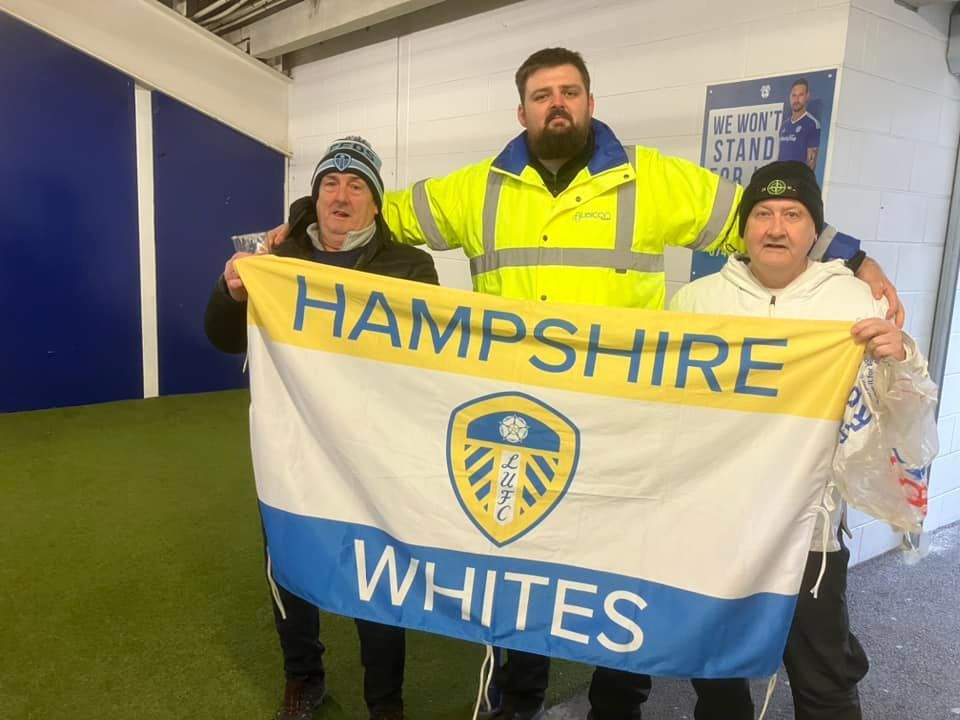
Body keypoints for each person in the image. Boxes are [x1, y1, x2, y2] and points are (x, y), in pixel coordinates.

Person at [267, 48, 904, 720]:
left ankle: (616, 700)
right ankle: (518, 701)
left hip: (621, 424)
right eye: (542, 95)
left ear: (590, 103)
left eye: (569, 91)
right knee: (517, 562)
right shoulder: (479, 186)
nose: (557, 104)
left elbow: (763, 213)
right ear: (522, 111)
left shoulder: (654, 179)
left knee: (620, 560)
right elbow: (376, 210)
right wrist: (302, 224)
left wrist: (856, 257)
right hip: (519, 417)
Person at [670, 160, 933, 720]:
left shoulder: (851, 303)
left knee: (822, 676)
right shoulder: (694, 303)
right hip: (714, 520)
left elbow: (902, 413)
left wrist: (902, 360)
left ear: (816, 231)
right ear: (743, 228)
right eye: (762, 213)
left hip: (808, 527)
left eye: (793, 214)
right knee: (714, 667)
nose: (775, 227)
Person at [204, 136, 438, 720]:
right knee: (291, 563)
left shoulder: (410, 266)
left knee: (378, 578)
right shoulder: (275, 262)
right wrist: (230, 292)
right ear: (316, 195)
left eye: (357, 185)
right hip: (294, 447)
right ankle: (303, 678)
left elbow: (435, 356)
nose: (342, 194)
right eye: (330, 183)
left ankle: (385, 702)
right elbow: (226, 337)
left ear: (376, 202)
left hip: (376, 449)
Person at [778, 78, 821, 170]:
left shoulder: (812, 124)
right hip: (781, 179)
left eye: (800, 95)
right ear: (790, 97)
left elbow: (812, 162)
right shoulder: (784, 125)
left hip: (798, 179)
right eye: (794, 95)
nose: (796, 99)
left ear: (807, 96)